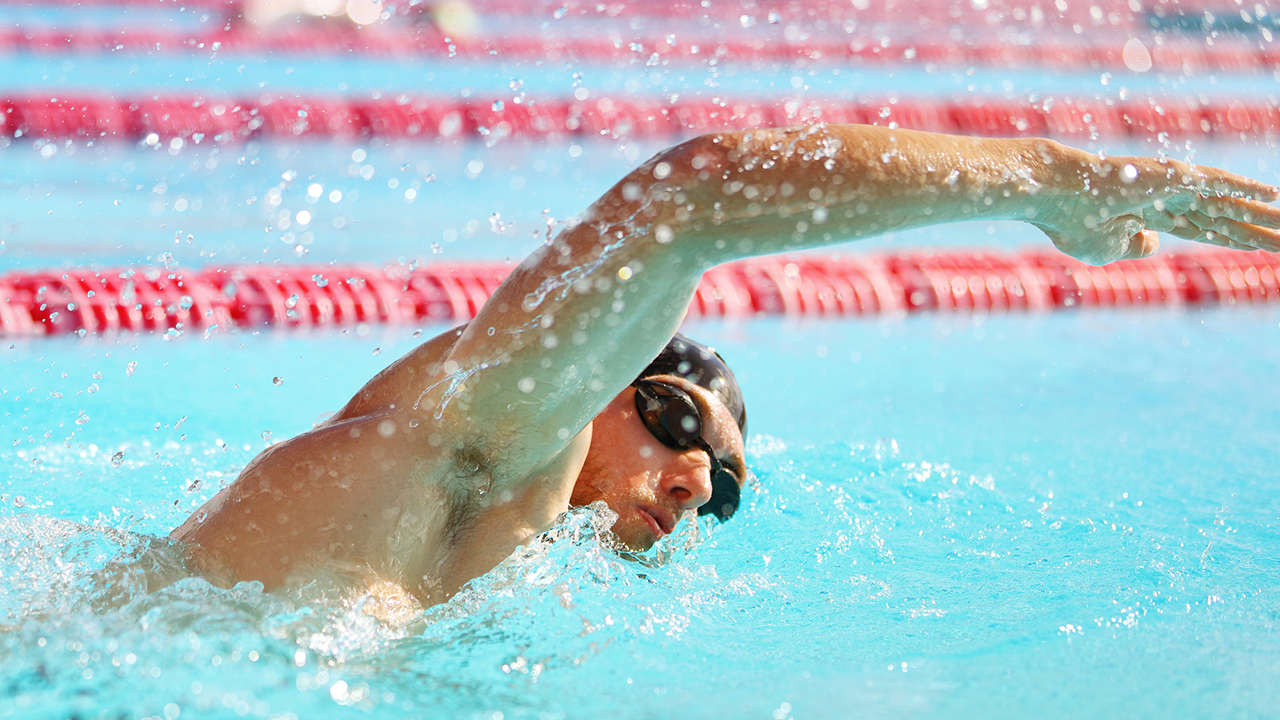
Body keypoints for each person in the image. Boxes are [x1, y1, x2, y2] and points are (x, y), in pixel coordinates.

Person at [171, 124, 1280, 607]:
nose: (700, 480)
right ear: (603, 380)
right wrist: (1044, 181)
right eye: (678, 421)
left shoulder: (486, 542)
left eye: (727, 486)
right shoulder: (496, 432)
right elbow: (687, 198)